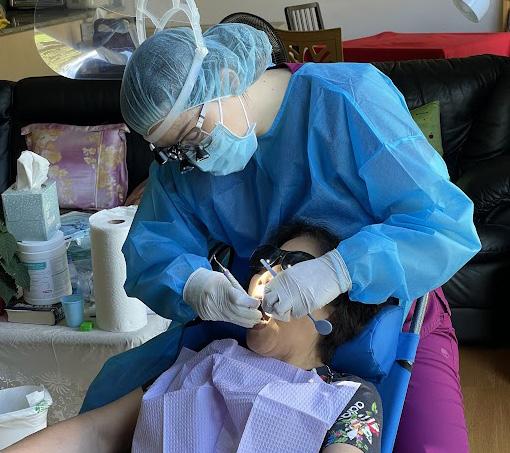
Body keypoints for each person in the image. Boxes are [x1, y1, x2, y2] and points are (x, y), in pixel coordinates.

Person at [95, 21, 479, 452]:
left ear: (226, 79)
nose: (191, 160)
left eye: (190, 137)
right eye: (173, 152)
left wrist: (340, 269)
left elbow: (443, 224)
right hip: (264, 336)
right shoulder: (184, 167)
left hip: (389, 312)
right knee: (117, 408)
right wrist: (194, 284)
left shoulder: (348, 100)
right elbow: (153, 248)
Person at [5, 224, 384, 453]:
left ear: (331, 306)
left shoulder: (349, 398)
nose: (263, 278)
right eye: (265, 262)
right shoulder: (206, 357)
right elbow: (97, 435)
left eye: (292, 268)